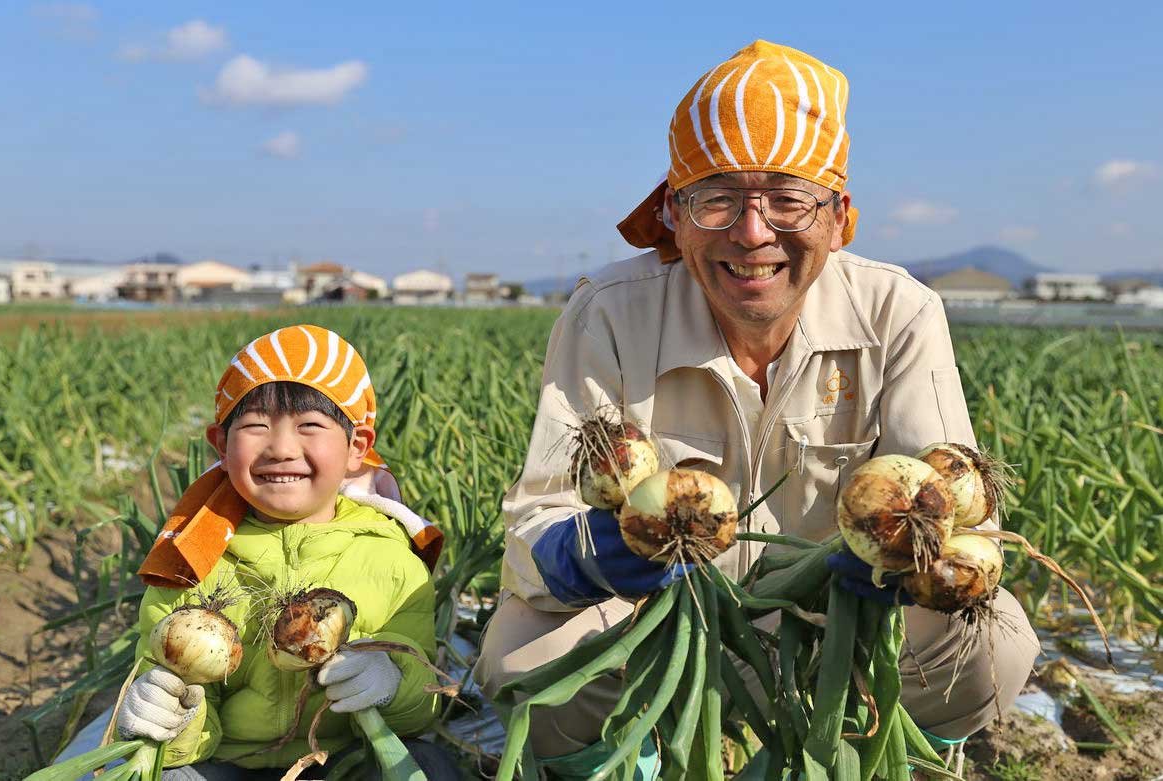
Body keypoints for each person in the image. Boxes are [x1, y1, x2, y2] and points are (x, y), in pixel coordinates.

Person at [475, 40, 1040, 778]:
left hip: (837, 631)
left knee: (996, 644)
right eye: (717, 198)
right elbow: (534, 521)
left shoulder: (899, 311)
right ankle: (636, 758)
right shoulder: (609, 313)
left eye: (787, 198)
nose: (752, 232)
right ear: (673, 216)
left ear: (837, 216)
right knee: (522, 655)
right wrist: (584, 551)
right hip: (656, 637)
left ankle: (877, 753)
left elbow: (962, 511)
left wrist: (900, 557)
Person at [115, 324, 455, 779]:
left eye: (309, 426)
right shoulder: (192, 562)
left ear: (357, 448)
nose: (280, 448)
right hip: (227, 763)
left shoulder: (393, 560)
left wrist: (394, 684)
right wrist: (171, 718)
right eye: (255, 426)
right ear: (221, 444)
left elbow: (422, 711)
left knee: (428, 766)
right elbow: (183, 727)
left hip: (345, 760)